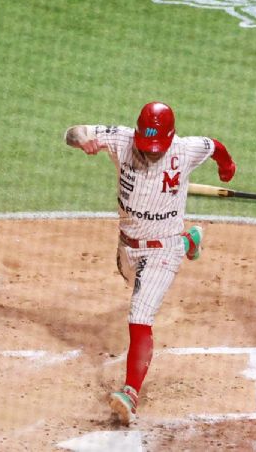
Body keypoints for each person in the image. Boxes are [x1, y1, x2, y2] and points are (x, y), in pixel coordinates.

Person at [64, 101, 236, 425]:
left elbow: (215, 146)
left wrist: (227, 167)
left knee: (140, 315)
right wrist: (83, 140)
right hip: (127, 248)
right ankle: (190, 241)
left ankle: (130, 392)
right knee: (131, 282)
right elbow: (73, 133)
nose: (151, 153)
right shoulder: (122, 140)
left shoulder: (185, 150)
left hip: (162, 252)